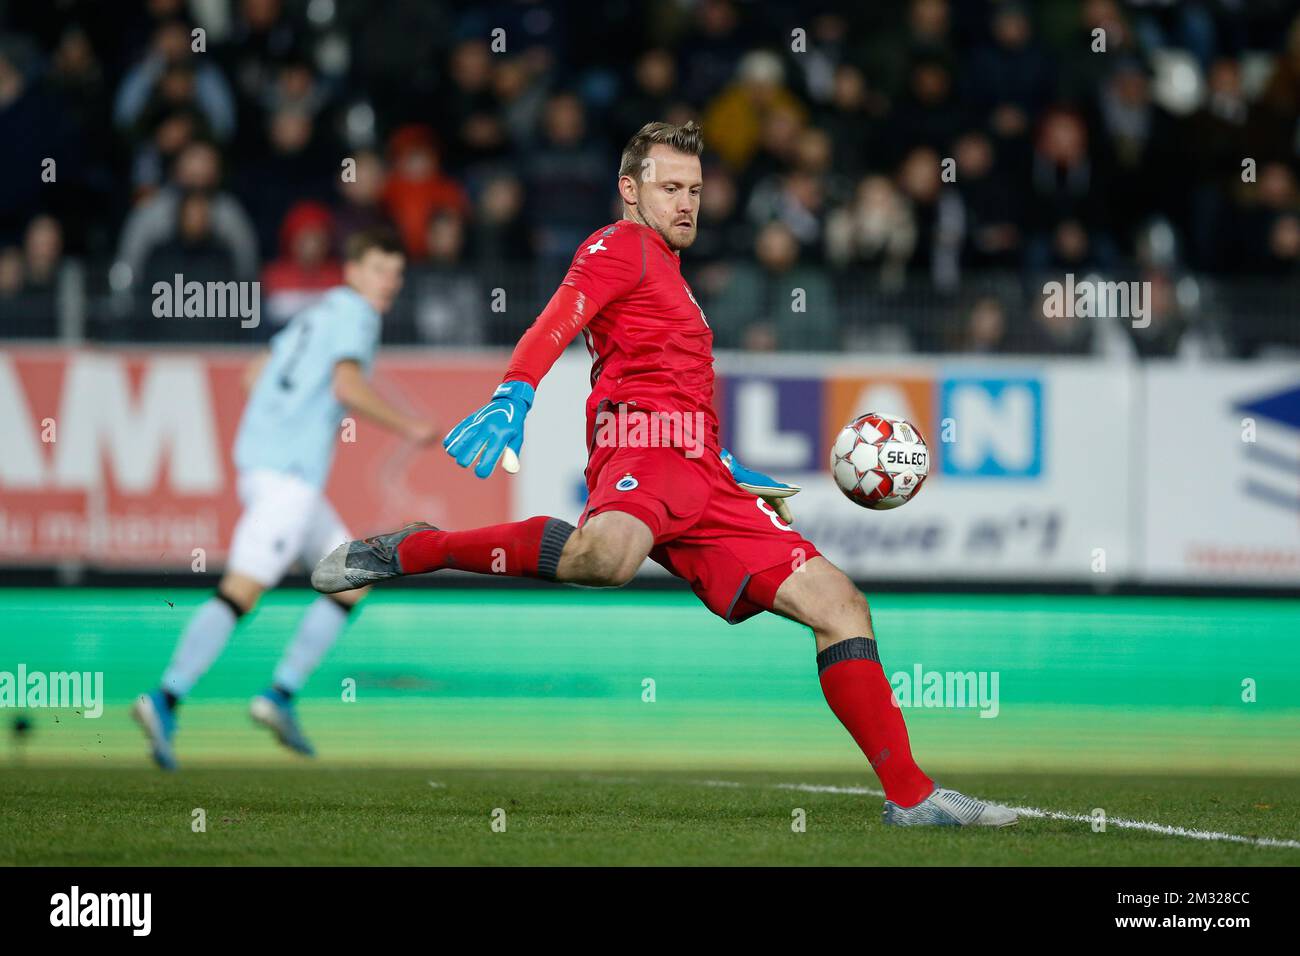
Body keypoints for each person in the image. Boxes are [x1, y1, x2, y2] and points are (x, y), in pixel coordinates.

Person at [313, 123, 1016, 827]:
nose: (687, 203)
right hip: (641, 455)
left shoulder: (671, 274)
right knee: (607, 559)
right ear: (631, 190)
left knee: (841, 607)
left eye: (695, 190)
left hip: (702, 474)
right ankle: (416, 548)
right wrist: (514, 393)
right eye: (670, 188)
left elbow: (682, 392)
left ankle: (912, 797)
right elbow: (558, 319)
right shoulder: (618, 246)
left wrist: (732, 468)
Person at [133, 228, 438, 770]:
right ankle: (165, 697)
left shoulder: (315, 314)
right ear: (353, 272)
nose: (388, 282)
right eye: (379, 270)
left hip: (266, 467)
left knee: (356, 579)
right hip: (287, 479)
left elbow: (256, 375)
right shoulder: (358, 316)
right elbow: (346, 386)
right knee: (242, 591)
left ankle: (278, 696)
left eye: (396, 273)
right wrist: (409, 425)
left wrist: (284, 416)